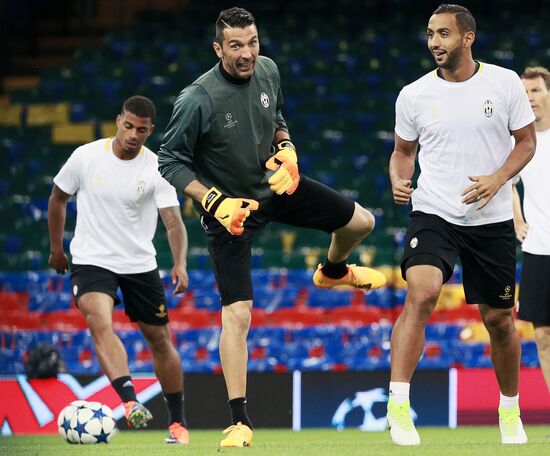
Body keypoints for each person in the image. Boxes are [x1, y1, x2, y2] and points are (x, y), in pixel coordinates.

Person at [158, 7, 386, 448]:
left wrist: (287, 148)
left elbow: (276, 117)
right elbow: (170, 160)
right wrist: (212, 201)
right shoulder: (197, 99)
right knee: (238, 314)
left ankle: (334, 271)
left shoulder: (268, 70)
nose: (247, 53)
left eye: (253, 42)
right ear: (218, 48)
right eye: (236, 45)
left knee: (363, 222)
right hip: (231, 211)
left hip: (276, 186)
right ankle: (239, 421)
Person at [388, 4, 536, 446]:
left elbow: (526, 143)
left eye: (444, 34)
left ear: (467, 38)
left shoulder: (504, 83)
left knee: (500, 321)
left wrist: (497, 179)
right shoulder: (413, 94)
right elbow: (402, 151)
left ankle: (509, 410)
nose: (435, 42)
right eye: (431, 34)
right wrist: (399, 177)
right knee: (423, 291)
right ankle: (398, 405)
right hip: (434, 211)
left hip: (490, 220)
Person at [48, 95, 191, 445]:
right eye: (128, 126)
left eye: (141, 130)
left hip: (139, 264)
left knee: (159, 340)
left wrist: (179, 262)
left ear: (150, 131)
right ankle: (129, 400)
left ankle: (178, 423)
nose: (132, 134)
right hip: (91, 259)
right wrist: (56, 248)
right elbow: (58, 198)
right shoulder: (86, 156)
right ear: (118, 121)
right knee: (99, 320)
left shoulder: (157, 168)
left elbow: (173, 222)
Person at [513, 66, 550, 393]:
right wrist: (517, 220)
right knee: (542, 335)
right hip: (538, 249)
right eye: (525, 93)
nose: (530, 98)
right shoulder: (521, 141)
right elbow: (506, 181)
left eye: (536, 90)